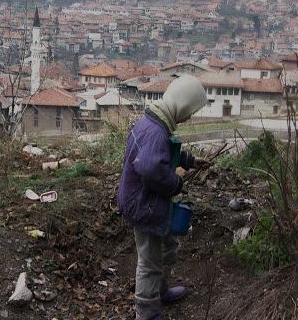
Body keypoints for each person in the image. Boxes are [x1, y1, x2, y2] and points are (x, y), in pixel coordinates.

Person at [117, 74, 209, 320]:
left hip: (148, 201)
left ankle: (159, 290)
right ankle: (146, 311)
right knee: (149, 261)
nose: (189, 117)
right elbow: (151, 168)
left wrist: (188, 161)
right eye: (190, 111)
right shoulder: (156, 131)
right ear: (181, 103)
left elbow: (163, 153)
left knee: (165, 247)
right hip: (143, 205)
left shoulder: (154, 121)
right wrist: (175, 183)